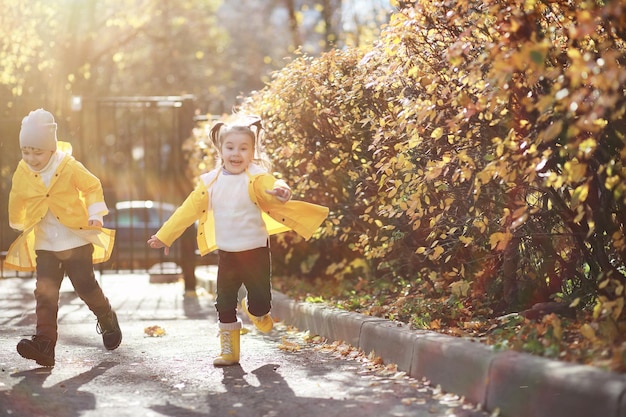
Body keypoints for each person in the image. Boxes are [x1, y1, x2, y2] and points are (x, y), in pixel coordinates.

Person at [148, 115, 328, 366]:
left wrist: (282, 190)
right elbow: (186, 210)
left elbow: (274, 184)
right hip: (227, 253)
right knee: (223, 301)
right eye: (230, 147)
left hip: (255, 251)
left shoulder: (255, 176)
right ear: (220, 150)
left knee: (260, 300)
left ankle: (256, 311)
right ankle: (229, 352)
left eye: (244, 148)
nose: (236, 153)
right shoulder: (210, 183)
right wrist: (165, 235)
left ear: (252, 152)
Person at [5, 108, 121, 367]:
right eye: (26, 151)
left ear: (51, 147)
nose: (31, 158)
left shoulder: (67, 166)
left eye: (38, 151)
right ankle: (44, 343)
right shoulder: (23, 170)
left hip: (75, 239)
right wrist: (18, 220)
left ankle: (106, 316)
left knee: (84, 285)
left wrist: (95, 213)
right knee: (45, 292)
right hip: (45, 243)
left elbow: (92, 186)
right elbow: (17, 195)